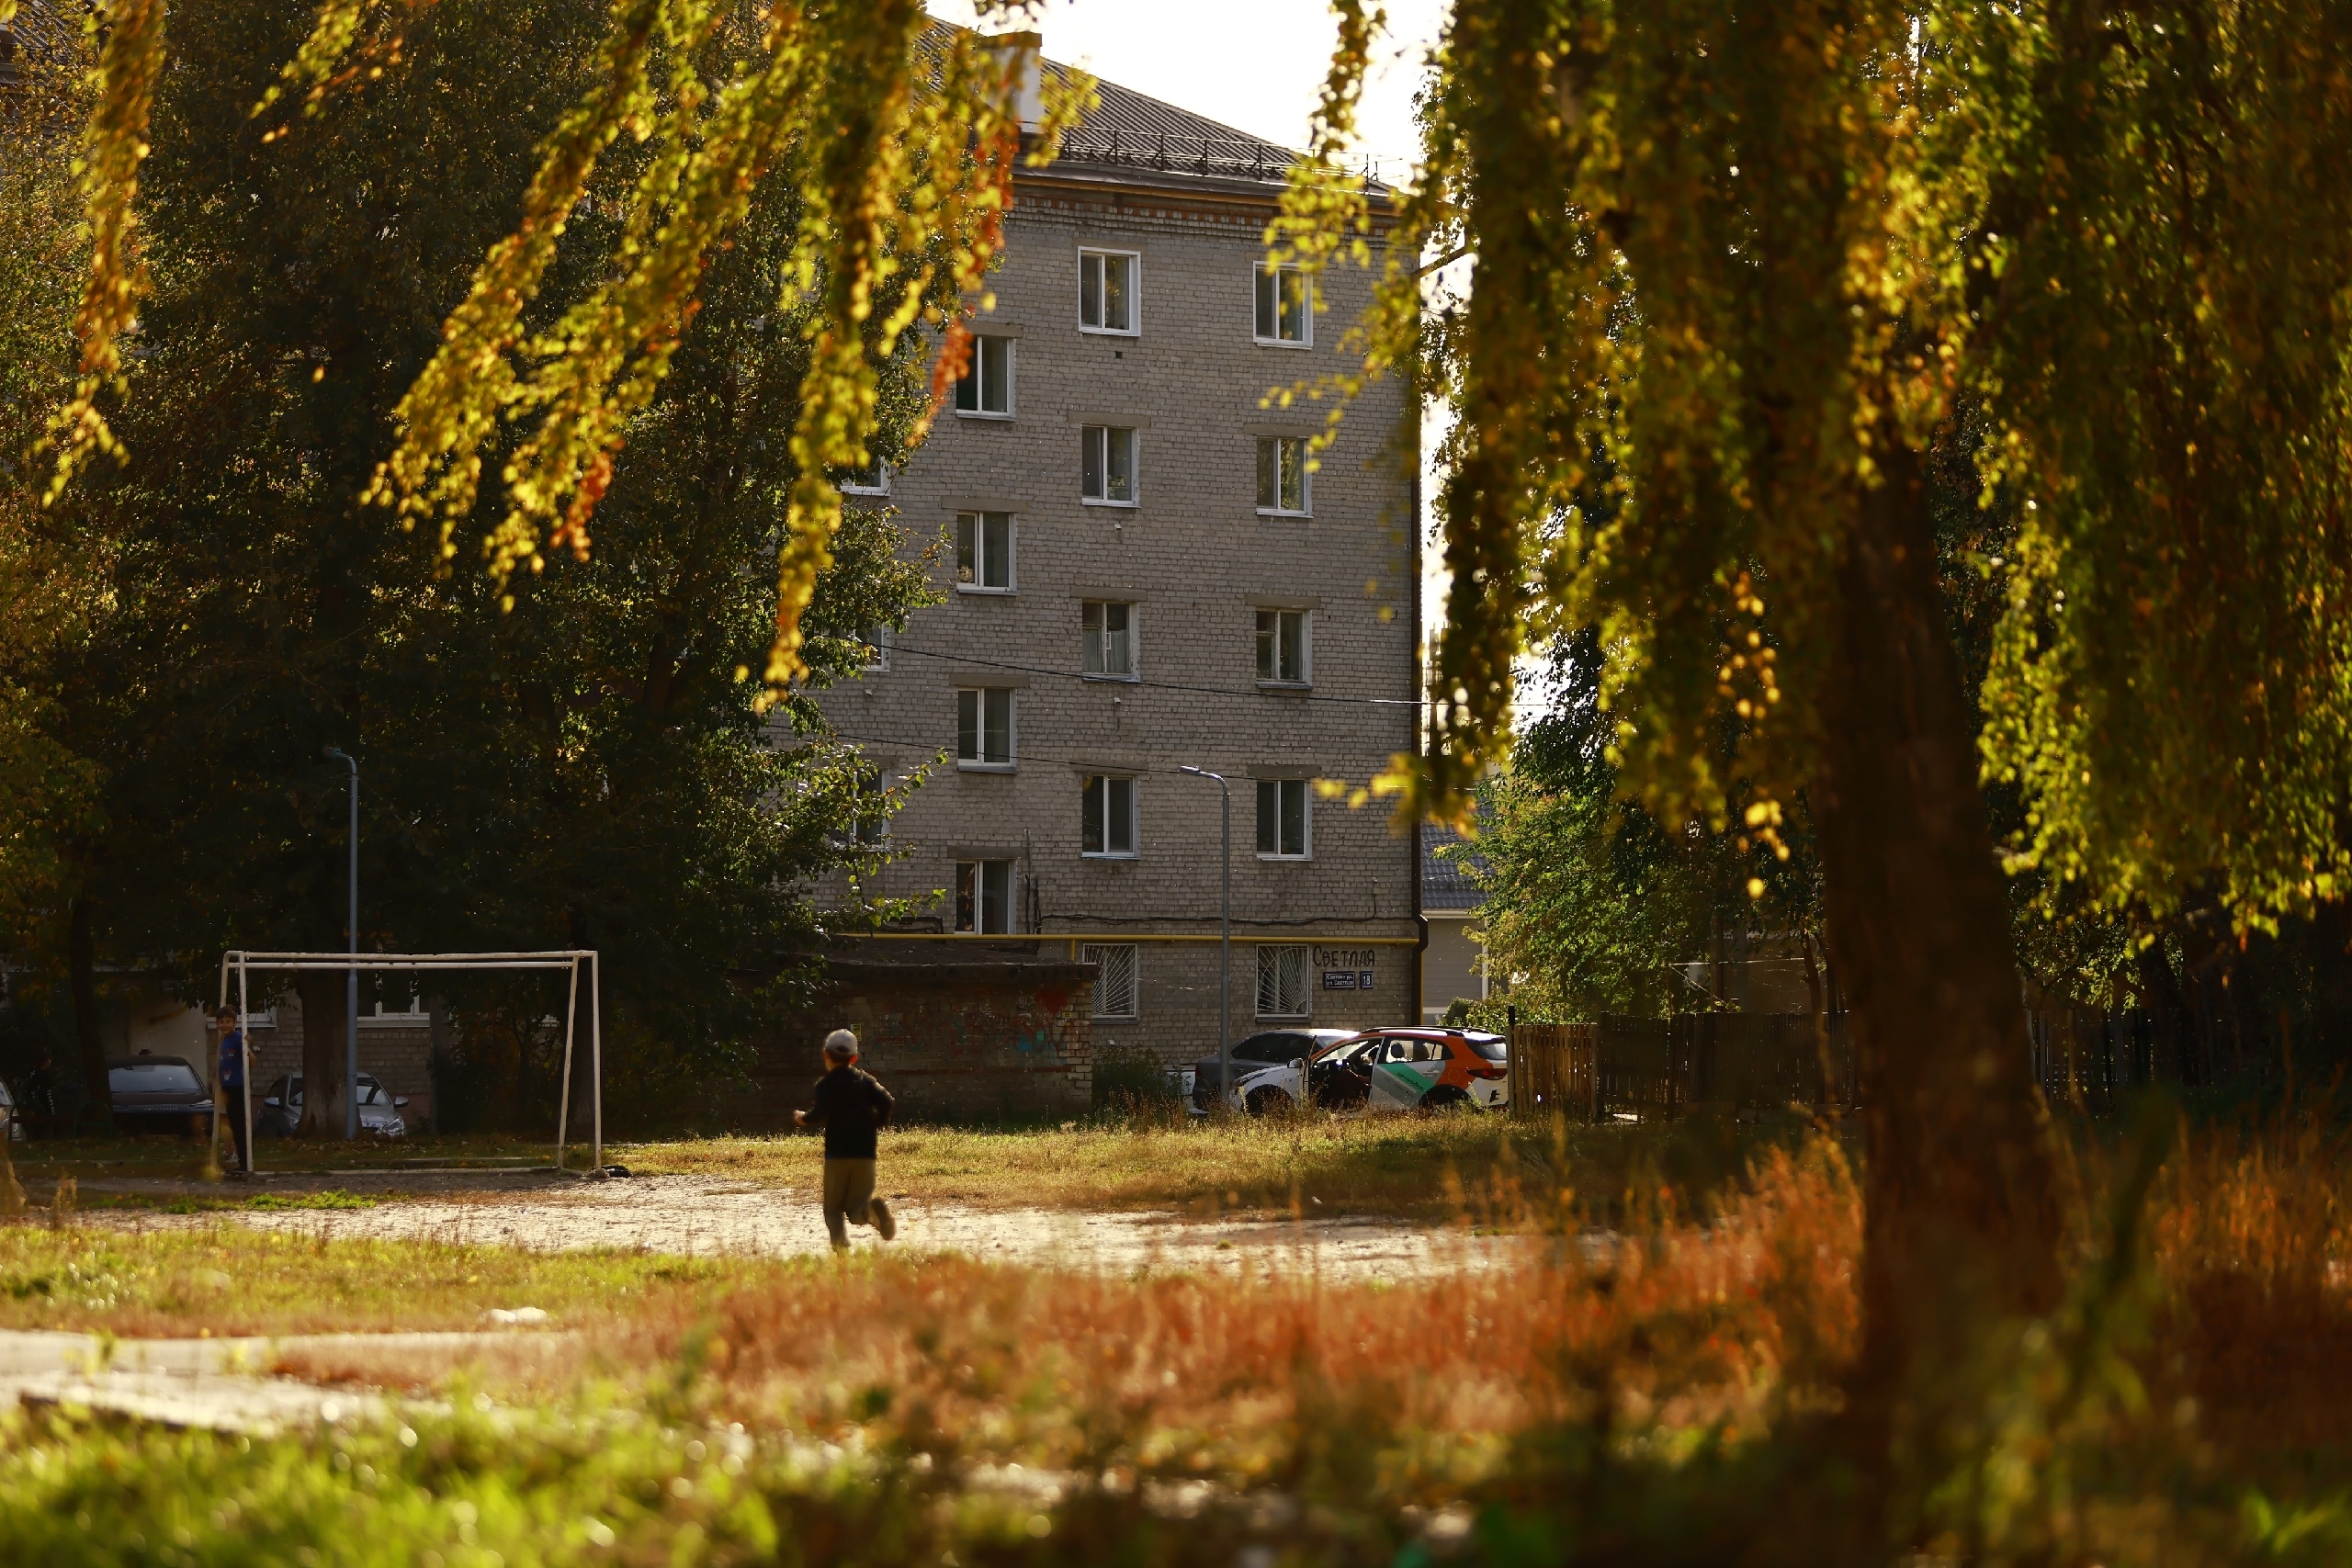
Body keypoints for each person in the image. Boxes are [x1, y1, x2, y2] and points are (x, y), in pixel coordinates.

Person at [793, 1029, 897, 1249]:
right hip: (865, 1153)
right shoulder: (865, 1081)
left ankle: (841, 1253)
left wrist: (803, 1118)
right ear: (854, 1058)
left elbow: (820, 1111)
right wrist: (876, 1124)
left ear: (825, 1054)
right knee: (857, 1210)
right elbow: (887, 1101)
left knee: (833, 1209)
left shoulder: (825, 1085)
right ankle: (872, 1212)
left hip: (837, 1154)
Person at [213, 1007, 249, 1171]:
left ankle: (245, 1162)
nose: (225, 1025)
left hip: (237, 1086)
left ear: (235, 1022)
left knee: (239, 1125)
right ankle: (241, 1160)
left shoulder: (237, 1038)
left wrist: (248, 1047)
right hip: (226, 1087)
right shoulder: (223, 1040)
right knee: (234, 1124)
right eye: (221, 1022)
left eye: (228, 1021)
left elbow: (251, 1061)